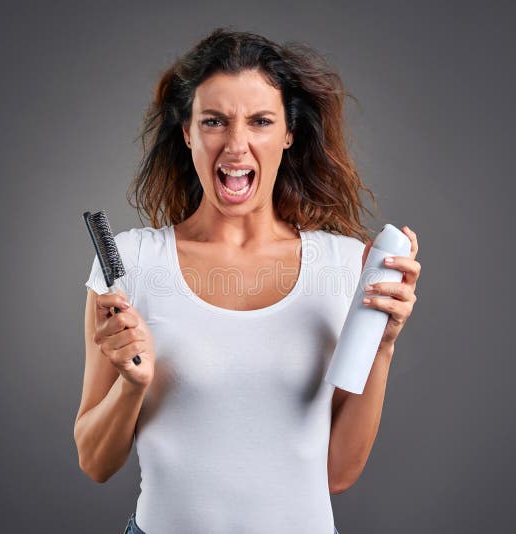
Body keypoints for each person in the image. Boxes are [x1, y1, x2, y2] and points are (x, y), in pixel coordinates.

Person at [74, 28, 421, 534]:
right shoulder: (130, 265)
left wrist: (383, 345)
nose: (236, 146)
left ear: (289, 133)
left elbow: (337, 474)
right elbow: (94, 462)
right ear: (188, 132)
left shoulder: (345, 268)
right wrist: (131, 385)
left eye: (260, 121)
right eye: (214, 121)